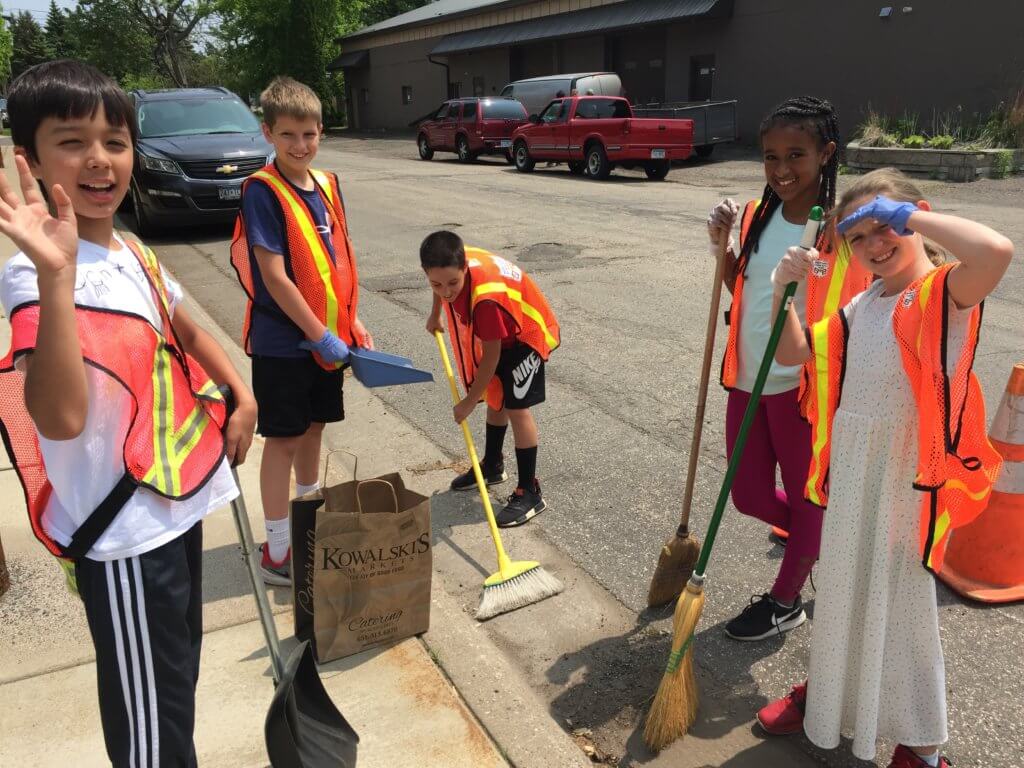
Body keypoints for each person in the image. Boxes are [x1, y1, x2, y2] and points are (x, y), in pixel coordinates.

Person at [0, 59, 257, 767]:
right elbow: (58, 417)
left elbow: (189, 326)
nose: (99, 160)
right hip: (122, 537)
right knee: (152, 736)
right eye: (72, 140)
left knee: (173, 696)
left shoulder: (131, 251)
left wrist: (241, 391)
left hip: (174, 509)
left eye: (115, 141)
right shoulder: (34, 272)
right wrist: (55, 281)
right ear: (28, 157)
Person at [756, 168, 1012, 768]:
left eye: (887, 228)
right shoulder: (862, 304)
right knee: (845, 586)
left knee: (900, 604)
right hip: (854, 469)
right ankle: (834, 696)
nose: (876, 244)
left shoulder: (944, 292)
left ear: (916, 218)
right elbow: (795, 353)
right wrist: (780, 290)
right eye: (860, 236)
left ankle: (922, 746)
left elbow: (996, 251)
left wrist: (910, 218)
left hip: (906, 474)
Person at [706, 96, 872, 641]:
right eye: (770, 156)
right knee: (749, 495)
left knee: (809, 497)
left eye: (796, 155)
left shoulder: (842, 231)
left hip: (807, 390)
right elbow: (745, 290)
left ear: (826, 154)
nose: (781, 170)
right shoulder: (759, 216)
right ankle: (817, 533)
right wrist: (722, 249)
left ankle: (786, 598)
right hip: (747, 379)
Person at [230, 76, 372, 585]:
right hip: (284, 346)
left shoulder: (329, 185)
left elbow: (334, 262)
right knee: (284, 440)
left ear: (321, 132)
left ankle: (309, 521)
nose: (300, 146)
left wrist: (349, 321)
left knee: (315, 429)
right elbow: (274, 274)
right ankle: (277, 551)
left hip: (326, 342)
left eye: (309, 135)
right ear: (268, 132)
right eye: (288, 135)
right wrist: (318, 334)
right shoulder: (262, 191)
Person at [421, 231, 559, 527]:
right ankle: (493, 466)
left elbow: (491, 356)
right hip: (502, 334)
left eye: (452, 284)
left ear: (464, 268)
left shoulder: (486, 302)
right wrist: (436, 315)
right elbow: (443, 285)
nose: (445, 292)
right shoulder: (450, 264)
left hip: (525, 334)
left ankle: (530, 491)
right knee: (497, 397)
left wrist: (469, 402)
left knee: (516, 407)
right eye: (436, 285)